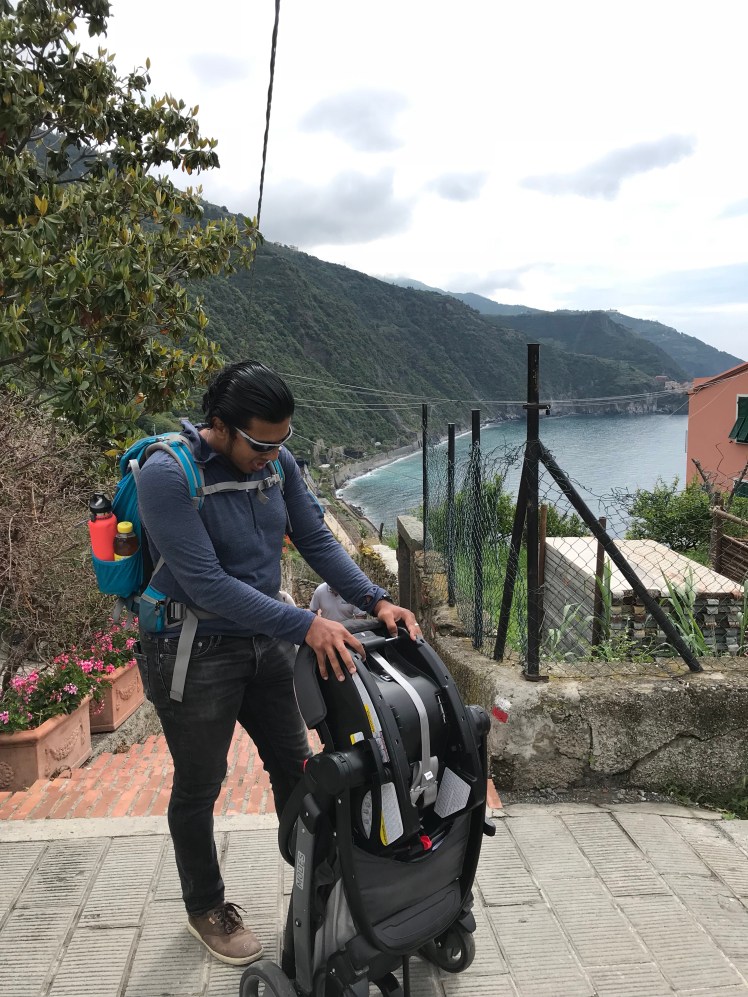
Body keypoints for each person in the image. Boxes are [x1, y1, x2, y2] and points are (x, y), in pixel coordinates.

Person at [136, 359, 420, 967]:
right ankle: (205, 905)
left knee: (297, 766)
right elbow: (206, 583)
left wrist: (376, 599)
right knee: (200, 784)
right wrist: (306, 625)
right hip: (192, 649)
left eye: (281, 442)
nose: (272, 455)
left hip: (264, 640)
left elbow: (315, 539)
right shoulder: (166, 475)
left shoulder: (277, 463)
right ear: (220, 425)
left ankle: (323, 881)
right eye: (260, 444)